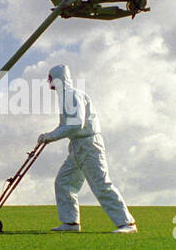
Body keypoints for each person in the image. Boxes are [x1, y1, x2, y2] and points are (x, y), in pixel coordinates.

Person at [37, 64, 137, 233]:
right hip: (76, 146)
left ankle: (127, 224)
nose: (49, 82)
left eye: (50, 78)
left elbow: (76, 124)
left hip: (89, 145)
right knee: (64, 182)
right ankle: (70, 223)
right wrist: (49, 136)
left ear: (58, 78)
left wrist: (50, 136)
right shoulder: (64, 98)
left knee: (101, 184)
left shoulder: (72, 95)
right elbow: (64, 125)